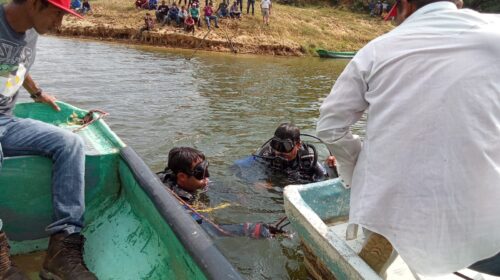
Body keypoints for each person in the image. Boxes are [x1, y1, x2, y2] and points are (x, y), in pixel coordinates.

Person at [316, 0, 500, 277]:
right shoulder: (495, 32)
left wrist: (358, 172)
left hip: (391, 215)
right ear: (458, 2)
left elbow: (331, 127)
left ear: (404, 5)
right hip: (485, 228)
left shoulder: (376, 50)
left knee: (383, 223)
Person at [0, 0, 98, 279]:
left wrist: (37, 92)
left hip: (6, 120)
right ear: (33, 3)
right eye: (57, 14)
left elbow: (15, 64)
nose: (60, 24)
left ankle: (61, 252)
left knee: (70, 144)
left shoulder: (30, 30)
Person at [156, 147, 285, 239]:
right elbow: (211, 230)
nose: (207, 176)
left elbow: (213, 185)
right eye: (200, 173)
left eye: (206, 168)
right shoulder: (176, 200)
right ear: (182, 177)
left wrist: (237, 195)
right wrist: (252, 230)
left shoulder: (193, 181)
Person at [234, 123, 338, 185]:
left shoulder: (308, 160)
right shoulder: (267, 154)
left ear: (298, 144)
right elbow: (239, 166)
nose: (278, 152)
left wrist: (332, 168)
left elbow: (325, 181)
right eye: (275, 145)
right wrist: (254, 182)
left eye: (285, 147)